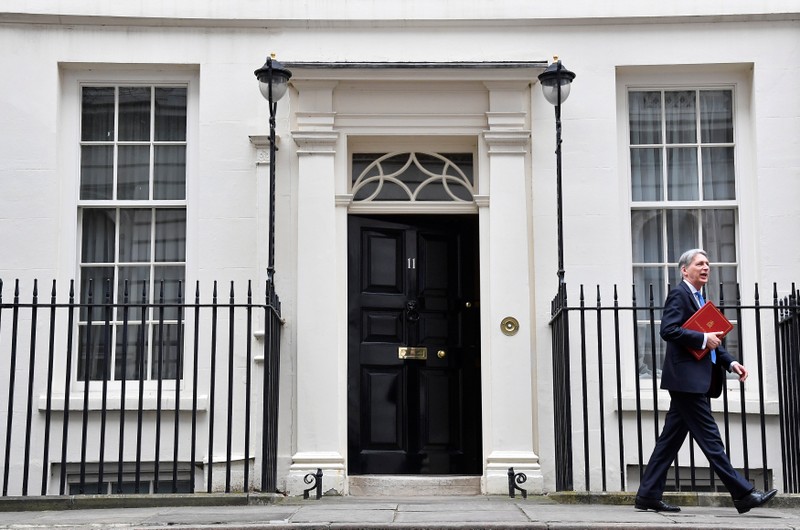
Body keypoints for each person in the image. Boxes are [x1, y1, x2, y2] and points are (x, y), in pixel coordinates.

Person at [634, 249, 777, 514]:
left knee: (669, 442)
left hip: (693, 381)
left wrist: (730, 362)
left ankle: (647, 496)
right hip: (687, 381)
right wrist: (702, 339)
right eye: (700, 263)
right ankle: (743, 494)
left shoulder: (700, 299)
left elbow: (712, 340)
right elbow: (668, 330)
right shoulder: (680, 294)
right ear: (684, 270)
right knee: (711, 440)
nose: (706, 267)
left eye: (708, 264)